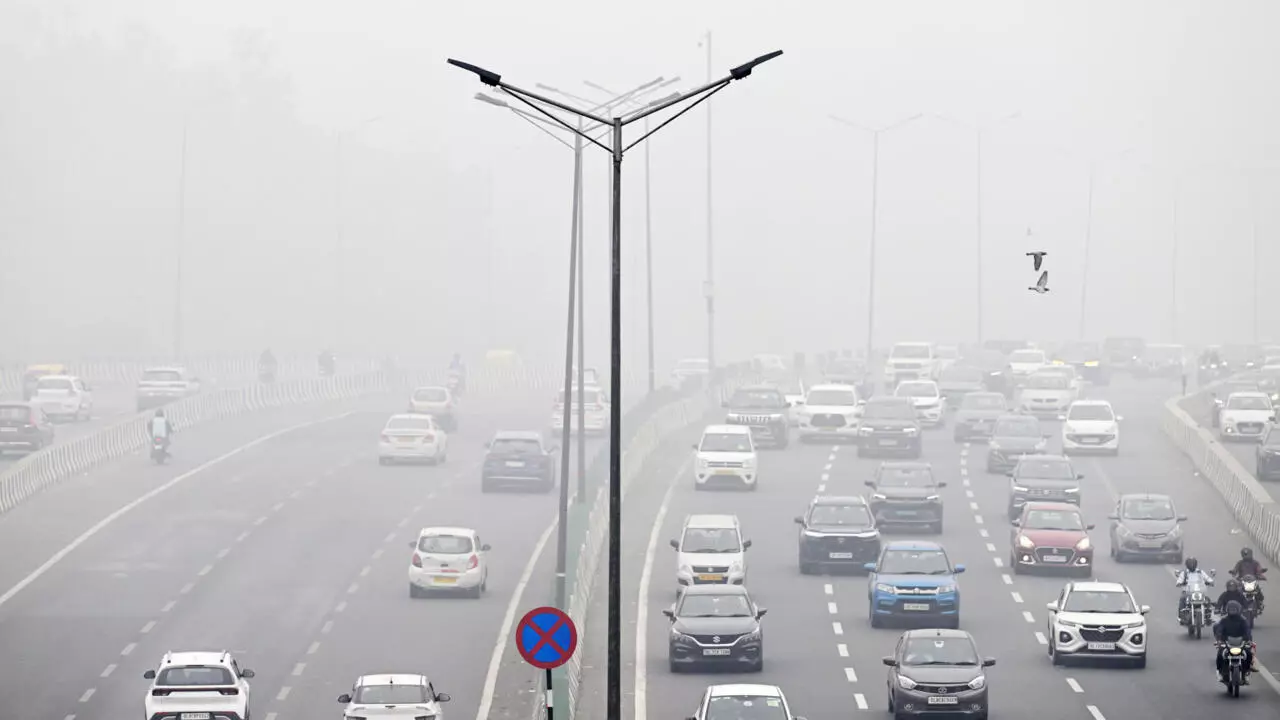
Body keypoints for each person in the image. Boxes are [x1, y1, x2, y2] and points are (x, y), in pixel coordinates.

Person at [1213, 601, 1257, 679]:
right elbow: (1219, 629)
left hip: (1240, 641)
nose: (1232, 611)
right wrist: (1219, 639)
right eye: (1231, 609)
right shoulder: (1224, 620)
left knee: (1248, 654)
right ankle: (1220, 671)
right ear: (1227, 610)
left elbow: (1247, 631)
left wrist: (1249, 640)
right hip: (1227, 641)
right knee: (1220, 655)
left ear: (1238, 609)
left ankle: (1247, 669)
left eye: (1234, 609)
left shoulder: (1243, 620)